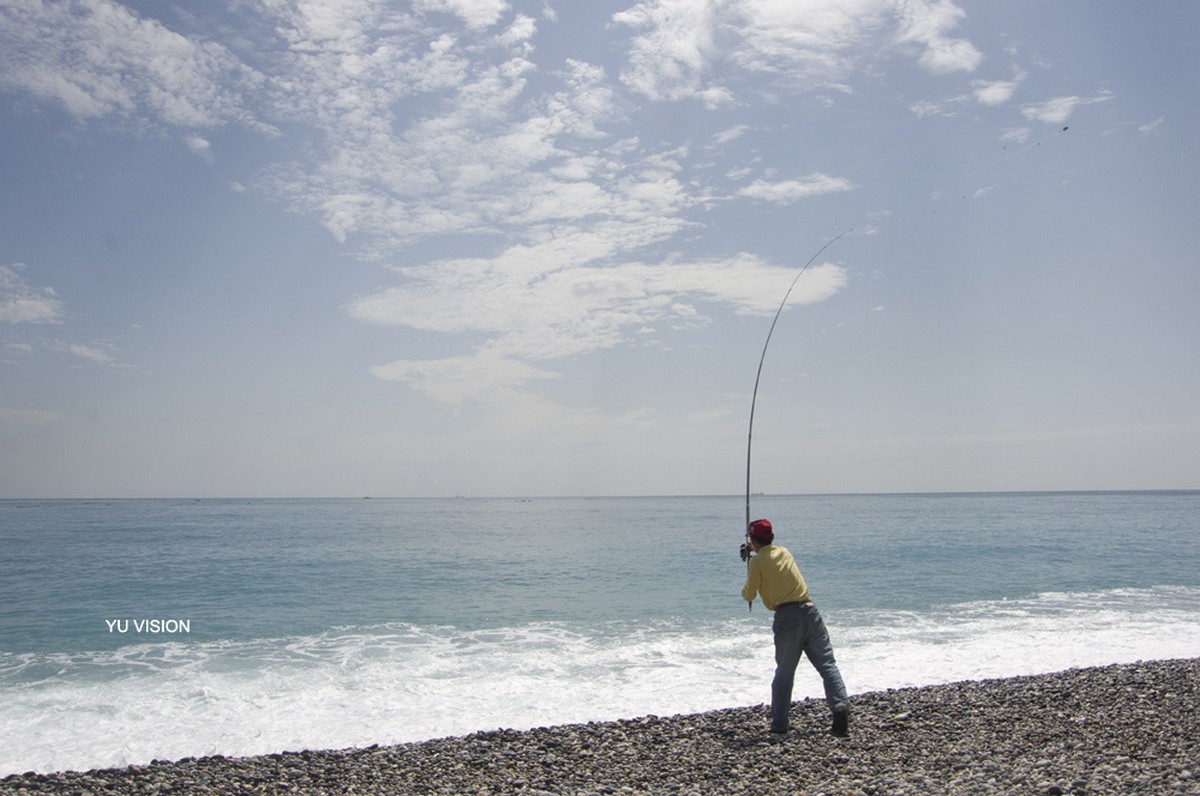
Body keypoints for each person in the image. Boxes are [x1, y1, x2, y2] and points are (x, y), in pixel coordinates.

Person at [740, 518, 850, 737]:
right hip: (810, 611)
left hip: (787, 618)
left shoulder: (757, 562)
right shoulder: (784, 552)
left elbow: (749, 594)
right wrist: (753, 552)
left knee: (784, 673)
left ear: (753, 539)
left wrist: (749, 562)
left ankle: (779, 725)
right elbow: (770, 559)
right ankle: (840, 706)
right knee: (827, 663)